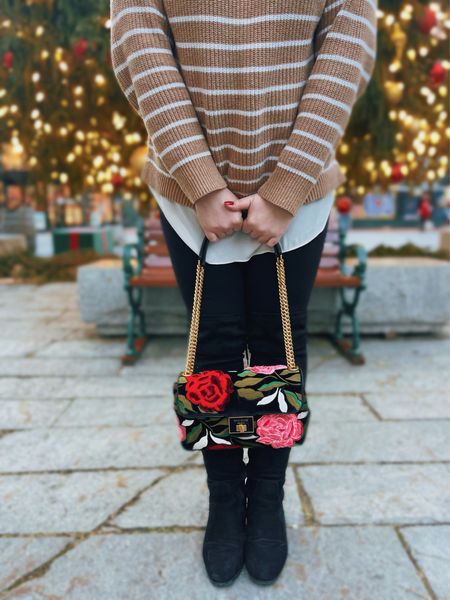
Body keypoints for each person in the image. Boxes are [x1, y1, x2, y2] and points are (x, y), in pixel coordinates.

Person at [110, 0, 377, 587]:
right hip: (188, 192)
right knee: (214, 344)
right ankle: (225, 501)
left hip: (299, 188)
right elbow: (139, 40)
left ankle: (270, 495)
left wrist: (287, 186)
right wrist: (198, 179)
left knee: (280, 342)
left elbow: (348, 38)